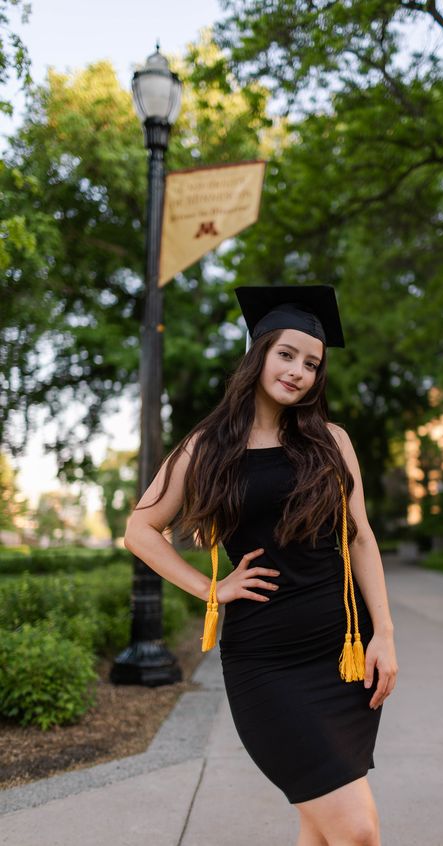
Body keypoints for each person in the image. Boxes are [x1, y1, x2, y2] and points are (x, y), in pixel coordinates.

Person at [124, 284, 398, 846]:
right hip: (267, 664)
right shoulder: (209, 447)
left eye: (312, 363)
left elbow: (363, 539)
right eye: (287, 354)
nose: (299, 371)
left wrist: (386, 634)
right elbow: (139, 530)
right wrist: (211, 588)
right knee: (357, 830)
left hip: (341, 656)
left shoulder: (333, 442)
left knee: (321, 830)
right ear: (260, 353)